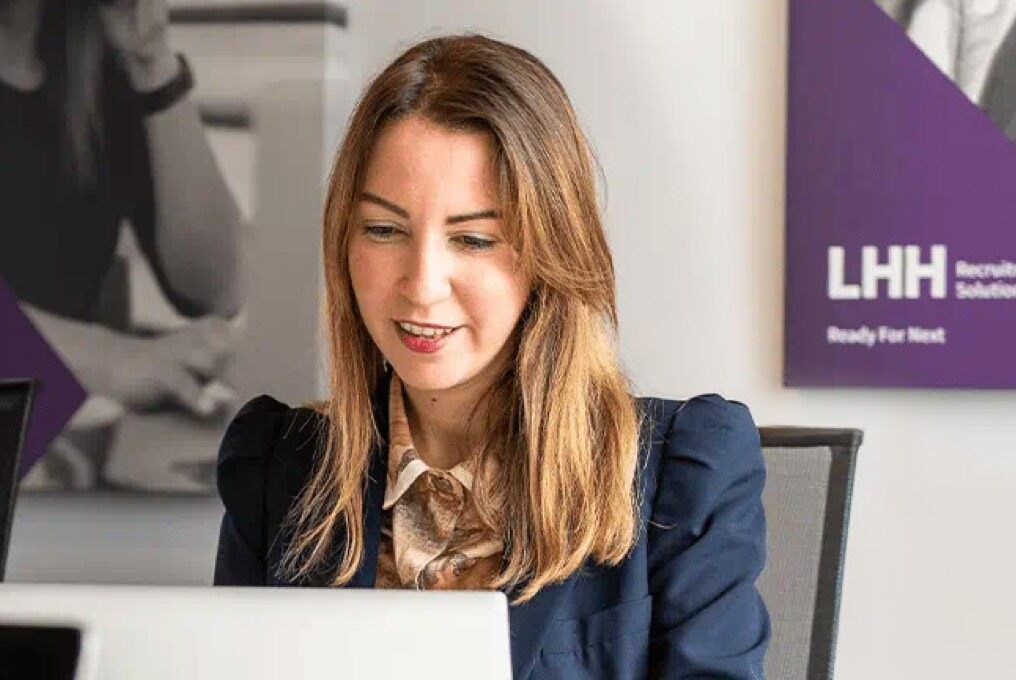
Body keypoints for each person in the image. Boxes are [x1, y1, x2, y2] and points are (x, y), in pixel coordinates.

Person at [213, 34, 770, 678]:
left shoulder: (685, 473)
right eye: (384, 230)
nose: (421, 284)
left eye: (474, 238)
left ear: (551, 252)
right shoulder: (277, 470)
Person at [0, 0, 243, 422]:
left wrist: (151, 61)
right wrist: (111, 359)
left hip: (55, 438)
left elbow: (213, 288)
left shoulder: (92, 65)